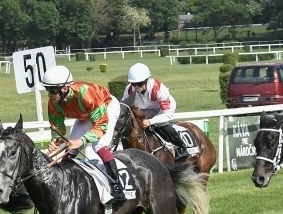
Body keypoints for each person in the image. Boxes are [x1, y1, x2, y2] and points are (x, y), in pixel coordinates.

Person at [43, 65, 125, 200]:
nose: (50, 95)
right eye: (48, 90)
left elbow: (101, 126)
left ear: (64, 88)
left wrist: (81, 141)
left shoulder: (85, 93)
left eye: (52, 90)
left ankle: (117, 186)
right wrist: (55, 141)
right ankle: (65, 182)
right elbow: (57, 127)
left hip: (106, 108)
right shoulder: (54, 102)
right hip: (85, 115)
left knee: (98, 146)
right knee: (69, 147)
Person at [121, 63, 188, 160]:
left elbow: (167, 114)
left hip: (162, 108)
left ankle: (182, 148)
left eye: (139, 84)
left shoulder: (159, 88)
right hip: (144, 109)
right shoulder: (129, 90)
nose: (136, 87)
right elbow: (125, 107)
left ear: (147, 80)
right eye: (133, 84)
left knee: (161, 124)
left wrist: (150, 122)